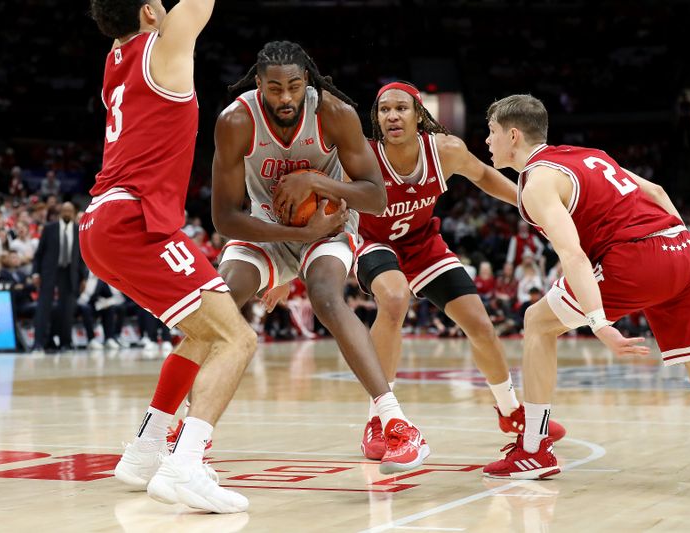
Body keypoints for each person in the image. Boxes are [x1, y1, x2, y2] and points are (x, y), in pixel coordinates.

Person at [482, 94, 690, 479]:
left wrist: (598, 322)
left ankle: (534, 450)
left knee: (538, 322)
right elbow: (655, 191)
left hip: (636, 258)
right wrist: (689, 243)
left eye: (490, 132)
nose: (487, 141)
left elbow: (573, 255)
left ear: (512, 135)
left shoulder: (537, 181)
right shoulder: (590, 155)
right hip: (683, 248)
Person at [211, 42, 428, 474]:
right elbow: (224, 218)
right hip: (263, 225)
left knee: (326, 296)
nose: (286, 98)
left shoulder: (334, 113)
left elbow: (376, 196)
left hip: (327, 225)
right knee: (216, 301)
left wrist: (315, 181)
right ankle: (179, 429)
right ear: (258, 85)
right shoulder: (236, 120)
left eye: (294, 86)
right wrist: (293, 233)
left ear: (306, 81)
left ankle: (397, 423)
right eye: (275, 89)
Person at [84, 0, 255, 513]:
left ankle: (146, 450)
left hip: (101, 222)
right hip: (134, 220)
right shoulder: (163, 49)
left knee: (203, 332)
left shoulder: (115, 61)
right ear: (150, 13)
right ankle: (185, 466)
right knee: (237, 339)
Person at [353, 81, 564, 461]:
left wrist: (527, 201)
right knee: (396, 299)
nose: (392, 116)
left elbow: (483, 176)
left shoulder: (445, 151)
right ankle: (379, 419)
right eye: (384, 110)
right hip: (374, 243)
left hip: (422, 243)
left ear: (419, 115)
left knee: (480, 324)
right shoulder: (363, 158)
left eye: (401, 108)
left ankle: (509, 408)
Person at [32, 202, 86, 352]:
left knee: (67, 310)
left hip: (69, 273)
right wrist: (36, 273)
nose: (67, 212)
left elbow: (82, 257)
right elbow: (39, 254)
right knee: (43, 308)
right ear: (61, 212)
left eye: (70, 210)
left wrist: (83, 277)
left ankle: (65, 343)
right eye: (65, 210)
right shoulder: (50, 228)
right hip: (49, 272)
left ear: (74, 213)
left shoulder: (78, 230)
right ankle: (38, 344)